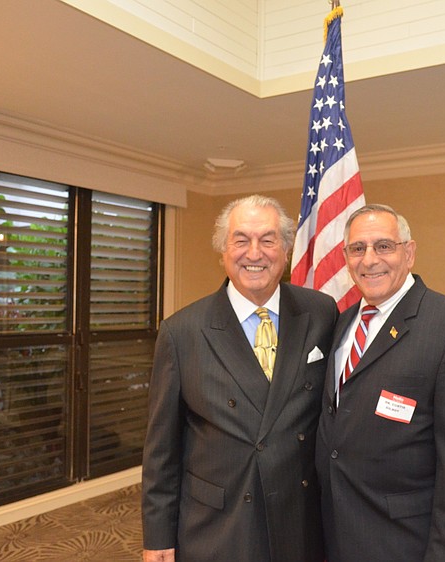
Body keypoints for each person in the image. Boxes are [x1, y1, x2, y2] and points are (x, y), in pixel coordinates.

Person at [142, 195, 338, 562]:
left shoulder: (321, 312)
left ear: (286, 250)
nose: (254, 253)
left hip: (300, 516)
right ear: (223, 250)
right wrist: (158, 537)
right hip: (221, 522)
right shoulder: (182, 332)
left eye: (268, 240)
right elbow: (161, 450)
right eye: (241, 240)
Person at [316, 203, 445, 562]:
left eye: (384, 246)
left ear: (409, 253)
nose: (370, 259)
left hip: (405, 543)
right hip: (336, 534)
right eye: (358, 248)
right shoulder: (341, 323)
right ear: (346, 258)